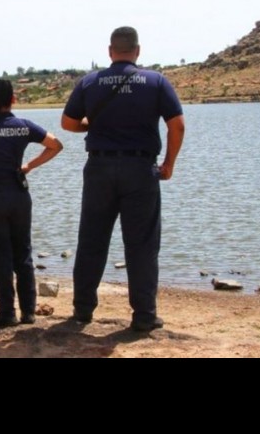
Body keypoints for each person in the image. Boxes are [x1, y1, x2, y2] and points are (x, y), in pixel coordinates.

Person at [61, 27, 185, 332]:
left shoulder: (90, 82)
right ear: (137, 51)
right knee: (142, 244)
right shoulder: (155, 81)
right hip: (141, 169)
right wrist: (169, 164)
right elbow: (177, 126)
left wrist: (91, 126)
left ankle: (82, 311)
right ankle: (144, 316)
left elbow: (67, 123)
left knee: (91, 240)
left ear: (110, 51)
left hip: (99, 168)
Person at [0, 78, 63, 327]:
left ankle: (6, 313)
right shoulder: (23, 126)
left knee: (0, 256)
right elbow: (55, 145)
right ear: (13, 100)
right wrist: (28, 166)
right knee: (23, 253)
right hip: (19, 195)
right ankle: (28, 312)